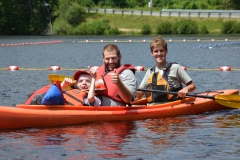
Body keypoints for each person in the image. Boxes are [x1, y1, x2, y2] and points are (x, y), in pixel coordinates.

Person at [136, 36, 196, 105]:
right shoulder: (149, 72)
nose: (159, 54)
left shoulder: (175, 68)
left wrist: (185, 89)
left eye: (161, 50)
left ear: (166, 51)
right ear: (151, 53)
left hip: (172, 106)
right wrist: (128, 89)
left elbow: (192, 86)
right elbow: (139, 94)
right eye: (156, 51)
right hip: (152, 108)